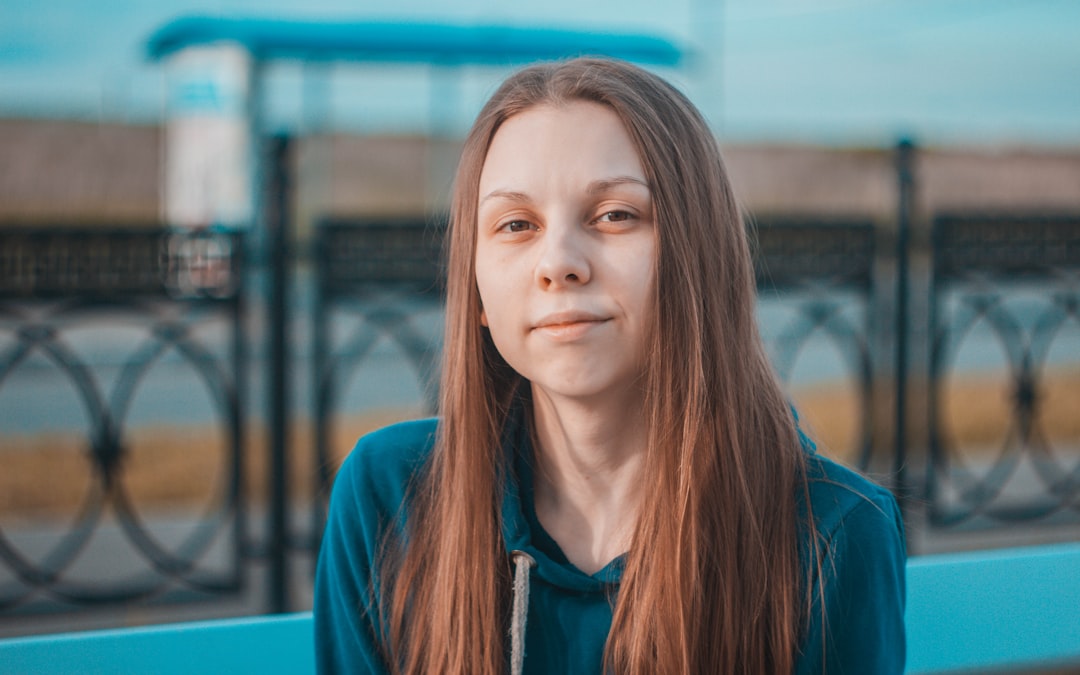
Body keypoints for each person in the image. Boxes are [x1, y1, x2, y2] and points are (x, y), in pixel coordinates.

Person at [314, 57, 906, 674]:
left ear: (697, 254)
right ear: (477, 291)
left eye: (615, 215)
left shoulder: (832, 534)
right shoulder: (389, 497)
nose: (559, 263)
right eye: (516, 224)